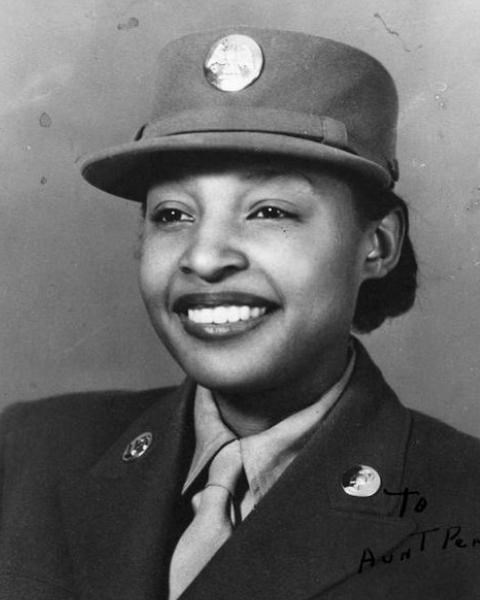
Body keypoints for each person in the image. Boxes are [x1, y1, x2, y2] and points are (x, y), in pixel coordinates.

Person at [1, 26, 479, 600]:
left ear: (376, 245)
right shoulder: (26, 453)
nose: (204, 257)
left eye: (269, 209)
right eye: (173, 214)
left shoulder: (464, 503)